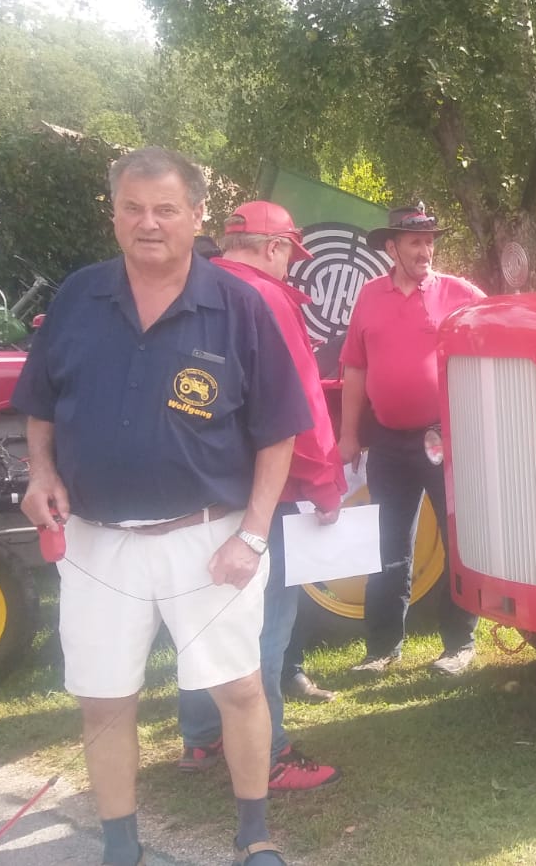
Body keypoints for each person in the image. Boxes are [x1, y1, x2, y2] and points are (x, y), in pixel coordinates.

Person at [12, 147, 311, 866]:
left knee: (240, 689)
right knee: (104, 700)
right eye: (134, 208)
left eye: (166, 209)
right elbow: (41, 404)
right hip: (93, 539)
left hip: (206, 540)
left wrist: (254, 536)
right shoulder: (81, 297)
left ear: (197, 216)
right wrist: (40, 472)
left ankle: (254, 836)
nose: (149, 223)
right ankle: (122, 848)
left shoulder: (239, 306)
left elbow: (279, 432)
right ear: (114, 214)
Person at [175, 201, 344, 793]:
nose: (290, 269)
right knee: (265, 623)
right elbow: (297, 404)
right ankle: (267, 752)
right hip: (255, 495)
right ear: (276, 247)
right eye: (290, 257)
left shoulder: (188, 290)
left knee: (200, 615)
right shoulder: (267, 299)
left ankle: (200, 738)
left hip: (192, 491)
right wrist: (325, 481)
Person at [339, 203, 484, 675]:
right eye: (415, 242)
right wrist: (347, 435)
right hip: (386, 441)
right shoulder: (369, 297)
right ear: (392, 247)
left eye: (429, 241)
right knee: (388, 546)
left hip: (445, 439)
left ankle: (458, 646)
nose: (426, 250)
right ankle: (382, 649)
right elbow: (355, 369)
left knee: (458, 542)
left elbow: (501, 338)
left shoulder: (459, 293)